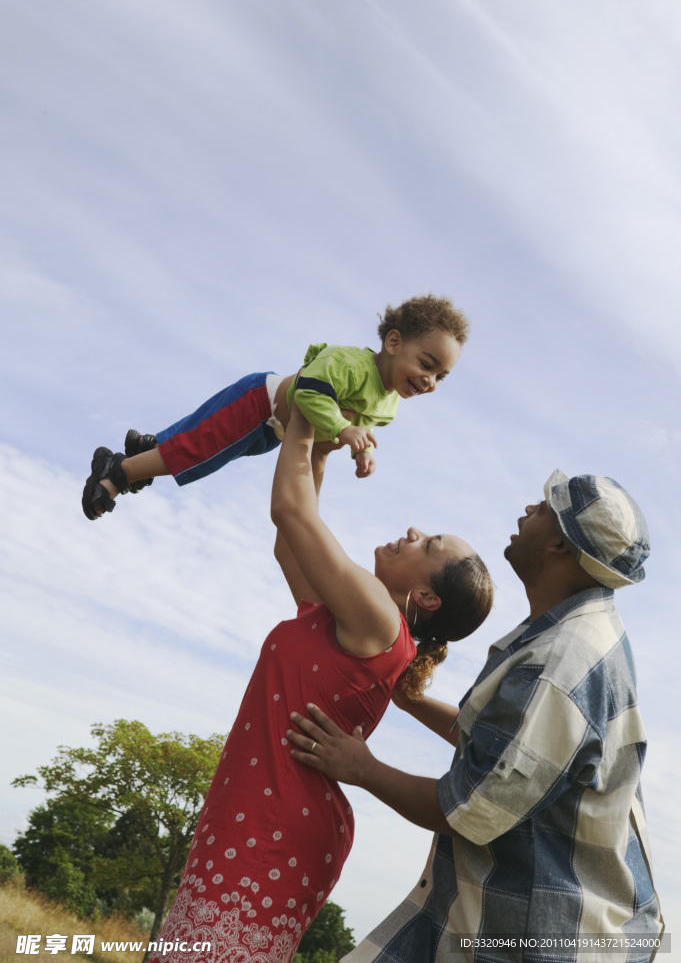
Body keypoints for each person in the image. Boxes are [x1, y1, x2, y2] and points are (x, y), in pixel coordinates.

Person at [147, 404, 494, 963]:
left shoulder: (380, 619)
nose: (414, 531)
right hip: (252, 813)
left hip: (275, 824)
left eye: (428, 545)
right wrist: (323, 452)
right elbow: (290, 541)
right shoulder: (347, 619)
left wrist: (308, 411)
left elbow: (291, 510)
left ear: (426, 598)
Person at [287, 470, 663, 962]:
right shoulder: (567, 636)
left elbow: (470, 808)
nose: (529, 511)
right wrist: (414, 703)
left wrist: (362, 768)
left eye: (544, 509)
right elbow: (505, 753)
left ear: (559, 546)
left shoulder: (559, 664)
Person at [82, 293, 468, 519]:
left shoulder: (389, 407)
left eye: (441, 377)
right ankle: (118, 472)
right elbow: (310, 393)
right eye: (426, 364)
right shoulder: (350, 365)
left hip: (273, 431)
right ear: (394, 342)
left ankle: (149, 450)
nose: (430, 381)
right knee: (203, 451)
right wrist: (345, 430)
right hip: (259, 403)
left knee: (202, 441)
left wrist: (359, 450)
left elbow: (337, 436)